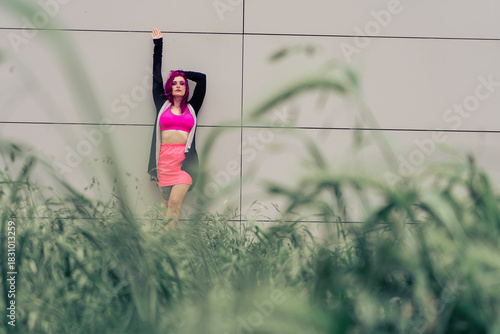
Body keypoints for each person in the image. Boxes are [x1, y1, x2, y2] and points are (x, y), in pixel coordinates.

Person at [148, 27, 206, 229]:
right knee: (170, 210)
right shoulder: (161, 105)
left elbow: (202, 78)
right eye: (175, 83)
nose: (179, 85)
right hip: (163, 163)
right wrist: (158, 46)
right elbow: (156, 77)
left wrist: (181, 72)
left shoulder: (192, 108)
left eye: (182, 83)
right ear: (170, 87)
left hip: (185, 164)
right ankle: (170, 250)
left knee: (173, 203)